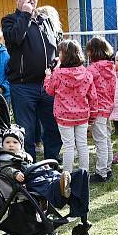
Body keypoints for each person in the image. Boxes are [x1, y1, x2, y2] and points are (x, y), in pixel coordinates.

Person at [2, 0, 63, 162]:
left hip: (47, 85)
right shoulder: (10, 20)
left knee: (52, 127)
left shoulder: (45, 21)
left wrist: (58, 60)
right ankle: (29, 166)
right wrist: (26, 14)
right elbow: (16, 38)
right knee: (26, 131)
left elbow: (55, 45)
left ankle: (51, 163)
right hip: (23, 86)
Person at [43, 40, 97, 173]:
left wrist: (48, 77)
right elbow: (93, 96)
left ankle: (67, 175)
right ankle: (84, 174)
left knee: (68, 146)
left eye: (60, 52)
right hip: (82, 115)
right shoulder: (86, 73)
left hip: (64, 116)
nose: (58, 54)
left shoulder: (58, 74)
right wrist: (93, 116)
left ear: (64, 56)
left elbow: (49, 91)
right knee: (83, 145)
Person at [0, 126, 71, 200]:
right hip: (27, 181)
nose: (11, 145)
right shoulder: (4, 158)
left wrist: (42, 167)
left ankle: (62, 181)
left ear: (21, 145)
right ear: (2, 145)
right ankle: (60, 186)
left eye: (15, 142)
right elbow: (5, 169)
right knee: (43, 182)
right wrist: (15, 173)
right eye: (7, 142)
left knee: (50, 173)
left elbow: (30, 166)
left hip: (34, 174)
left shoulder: (23, 155)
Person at [86, 37, 116, 183]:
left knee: (100, 141)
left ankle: (101, 172)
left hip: (97, 109)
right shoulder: (111, 67)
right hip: (108, 107)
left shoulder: (91, 70)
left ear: (91, 52)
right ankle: (108, 169)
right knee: (106, 138)